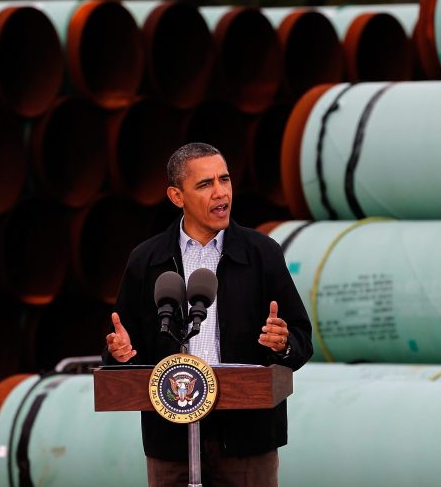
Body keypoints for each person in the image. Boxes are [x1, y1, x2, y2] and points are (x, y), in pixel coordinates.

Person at [103, 142, 313, 487]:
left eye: (224, 180)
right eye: (205, 184)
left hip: (246, 442)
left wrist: (283, 343)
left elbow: (301, 342)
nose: (220, 193)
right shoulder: (146, 260)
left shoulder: (262, 253)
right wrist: (120, 354)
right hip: (170, 443)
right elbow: (121, 348)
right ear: (176, 196)